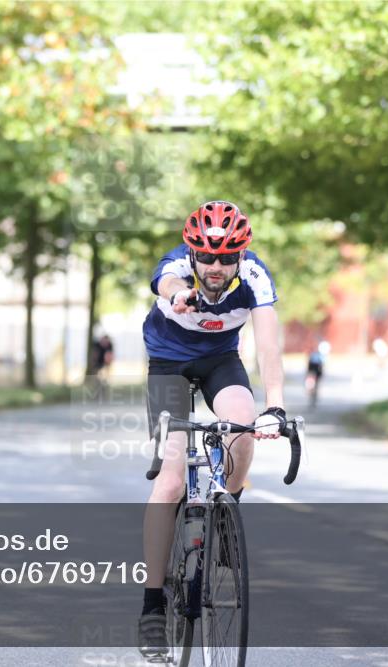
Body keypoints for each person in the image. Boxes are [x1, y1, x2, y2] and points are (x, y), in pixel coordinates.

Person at [138, 200, 286, 657]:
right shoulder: (177, 268)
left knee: (242, 425)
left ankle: (227, 508)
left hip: (221, 360)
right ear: (193, 253)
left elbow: (268, 344)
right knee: (171, 481)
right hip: (168, 364)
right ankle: (152, 606)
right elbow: (166, 282)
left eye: (226, 258)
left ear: (241, 255)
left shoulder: (255, 276)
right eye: (206, 257)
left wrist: (276, 406)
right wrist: (177, 295)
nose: (216, 267)